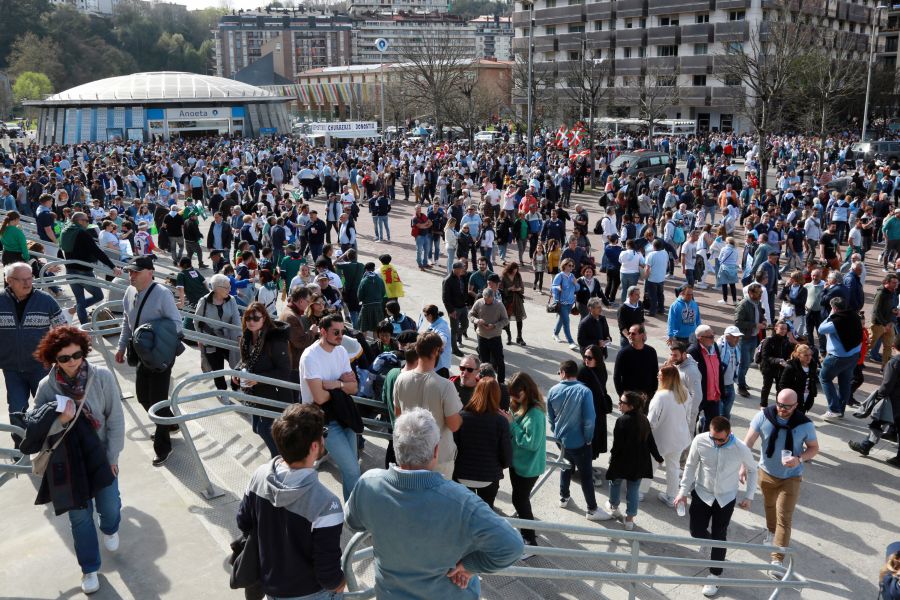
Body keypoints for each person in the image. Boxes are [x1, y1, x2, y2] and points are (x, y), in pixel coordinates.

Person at [345, 408, 523, 599]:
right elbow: (512, 546)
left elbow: (352, 521)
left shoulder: (368, 483)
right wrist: (469, 566)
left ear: (396, 447)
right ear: (436, 450)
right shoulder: (461, 501)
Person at [23, 325, 124, 595]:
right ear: (54, 358)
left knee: (110, 507)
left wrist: (113, 456)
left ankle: (110, 528)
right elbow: (38, 427)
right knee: (79, 519)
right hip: (67, 461)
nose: (72, 362)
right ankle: (89, 568)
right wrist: (61, 420)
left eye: (77, 355)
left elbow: (115, 419)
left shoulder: (101, 376)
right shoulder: (47, 386)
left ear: (84, 351)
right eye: (64, 358)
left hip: (101, 457)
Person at [236, 403, 346, 599]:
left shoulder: (258, 476)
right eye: (323, 433)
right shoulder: (328, 504)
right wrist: (340, 582)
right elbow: (327, 574)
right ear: (314, 446)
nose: (324, 438)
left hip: (270, 586)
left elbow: (243, 521)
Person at [674, 416, 758, 597]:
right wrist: (682, 492)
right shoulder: (701, 440)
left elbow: (752, 469)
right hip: (702, 493)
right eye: (713, 438)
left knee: (720, 536)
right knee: (696, 531)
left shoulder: (740, 448)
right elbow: (690, 466)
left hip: (725, 499)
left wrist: (749, 496)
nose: (716, 442)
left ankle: (715, 575)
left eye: (721, 439)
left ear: (729, 433)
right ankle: (711, 545)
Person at [114, 255, 181, 467]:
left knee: (158, 401)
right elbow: (127, 320)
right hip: (141, 354)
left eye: (136, 272)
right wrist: (122, 345)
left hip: (161, 354)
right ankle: (169, 423)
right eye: (130, 272)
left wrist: (156, 333)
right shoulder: (129, 291)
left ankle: (163, 448)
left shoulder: (162, 294)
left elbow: (177, 324)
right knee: (143, 396)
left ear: (149, 273)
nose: (131, 275)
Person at [742, 388, 819, 572]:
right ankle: (770, 531)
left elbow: (814, 448)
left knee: (784, 518)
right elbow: (748, 442)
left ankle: (777, 560)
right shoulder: (764, 416)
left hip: (791, 477)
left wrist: (799, 459)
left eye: (787, 407)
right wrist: (743, 464)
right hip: (766, 473)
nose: (782, 409)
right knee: (769, 507)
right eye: (779, 404)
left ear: (796, 405)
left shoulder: (805, 424)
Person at [1, 262, 66, 447]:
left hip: (41, 367)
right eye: (22, 280)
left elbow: (63, 331)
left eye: (30, 278)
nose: (28, 283)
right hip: (11, 369)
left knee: (48, 408)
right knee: (16, 410)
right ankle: (22, 447)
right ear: (9, 281)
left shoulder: (46, 300)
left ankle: (52, 445)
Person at [298, 313, 361, 501]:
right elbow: (318, 397)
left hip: (343, 414)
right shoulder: (310, 356)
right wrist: (342, 385)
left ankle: (352, 511)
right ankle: (354, 516)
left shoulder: (341, 351)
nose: (340, 336)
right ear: (323, 332)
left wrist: (335, 385)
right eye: (336, 332)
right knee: (351, 469)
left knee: (353, 468)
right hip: (322, 419)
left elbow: (354, 387)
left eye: (342, 332)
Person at [548, 359, 612, 521]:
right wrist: (589, 438)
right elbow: (590, 419)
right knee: (585, 475)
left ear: (562, 373)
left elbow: (551, 418)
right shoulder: (585, 392)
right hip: (581, 441)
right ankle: (591, 509)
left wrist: (556, 433)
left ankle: (564, 497)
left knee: (565, 466)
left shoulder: (553, 390)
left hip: (562, 439)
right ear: (575, 373)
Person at [393, 332, 463, 479]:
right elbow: (454, 425)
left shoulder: (401, 379)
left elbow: (398, 416)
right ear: (436, 351)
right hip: (438, 457)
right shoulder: (446, 386)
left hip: (409, 455)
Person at [235, 302, 292, 457]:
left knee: (265, 428)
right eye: (248, 317)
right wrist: (237, 371)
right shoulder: (246, 338)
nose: (251, 321)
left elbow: (285, 371)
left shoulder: (275, 340)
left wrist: (258, 379)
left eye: (255, 318)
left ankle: (281, 460)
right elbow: (246, 361)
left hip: (274, 392)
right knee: (256, 428)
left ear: (264, 318)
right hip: (255, 393)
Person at [605, 391, 663, 530]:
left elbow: (617, 445)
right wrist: (658, 457)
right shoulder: (644, 419)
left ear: (630, 406)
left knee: (615, 482)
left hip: (622, 461)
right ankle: (630, 520)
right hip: (639, 463)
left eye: (622, 402)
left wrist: (612, 459)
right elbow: (650, 442)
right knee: (633, 490)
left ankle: (613, 506)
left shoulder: (622, 421)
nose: (619, 404)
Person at [452, 377, 512, 508]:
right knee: (486, 513)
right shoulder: (501, 422)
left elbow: (454, 446)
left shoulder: (462, 416)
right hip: (489, 476)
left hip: (462, 474)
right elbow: (506, 455)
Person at [504, 372, 547, 549]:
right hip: (518, 464)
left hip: (528, 468)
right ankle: (527, 532)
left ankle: (530, 540)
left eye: (516, 393)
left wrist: (511, 424)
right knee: (519, 500)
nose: (513, 397)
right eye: (511, 393)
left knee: (520, 501)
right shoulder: (519, 405)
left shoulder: (536, 413)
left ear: (527, 391)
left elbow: (531, 443)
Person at [60, 211, 122, 324]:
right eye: (86, 221)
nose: (88, 223)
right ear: (79, 221)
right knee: (99, 296)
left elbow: (61, 251)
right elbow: (97, 252)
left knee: (80, 300)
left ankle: (84, 326)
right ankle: (76, 310)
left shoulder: (66, 231)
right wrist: (113, 267)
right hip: (83, 271)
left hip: (70, 270)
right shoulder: (81, 233)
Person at [848, 337, 900, 467]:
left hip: (894, 401)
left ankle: (865, 446)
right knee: (880, 422)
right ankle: (866, 445)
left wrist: (878, 397)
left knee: (878, 421)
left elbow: (887, 384)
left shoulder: (894, 362)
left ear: (894, 346)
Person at [648, 365, 692, 507]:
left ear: (666, 378)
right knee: (673, 468)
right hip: (679, 438)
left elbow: (652, 421)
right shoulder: (684, 393)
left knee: (651, 465)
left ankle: (640, 493)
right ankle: (672, 496)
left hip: (660, 438)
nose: (657, 377)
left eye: (660, 375)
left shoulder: (661, 395)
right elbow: (689, 416)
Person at [194, 274, 242, 392]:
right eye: (226, 287)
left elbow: (236, 318)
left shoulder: (231, 300)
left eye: (229, 287)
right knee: (217, 368)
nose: (229, 290)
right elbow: (197, 321)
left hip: (228, 337)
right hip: (211, 339)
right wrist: (201, 338)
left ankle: (236, 386)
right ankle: (222, 390)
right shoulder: (204, 301)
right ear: (217, 288)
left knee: (237, 364)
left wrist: (239, 335)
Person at [819, 296, 863, 419]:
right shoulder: (854, 315)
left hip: (837, 357)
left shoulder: (835, 322)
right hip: (853, 356)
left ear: (834, 308)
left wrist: (829, 315)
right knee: (845, 383)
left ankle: (834, 409)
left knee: (824, 378)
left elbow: (821, 329)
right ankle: (840, 411)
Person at [577, 344, 612, 464]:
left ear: (597, 358)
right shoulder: (581, 371)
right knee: (588, 440)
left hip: (599, 409)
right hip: (587, 410)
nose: (586, 359)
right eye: (585, 356)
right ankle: (586, 470)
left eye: (589, 357)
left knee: (596, 440)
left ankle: (589, 466)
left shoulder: (602, 369)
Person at [688, 325, 725, 432]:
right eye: (710, 337)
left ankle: (706, 443)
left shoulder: (714, 347)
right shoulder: (693, 351)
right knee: (692, 422)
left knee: (713, 423)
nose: (713, 338)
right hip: (699, 395)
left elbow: (719, 370)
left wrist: (721, 391)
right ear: (700, 338)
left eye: (713, 335)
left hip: (713, 395)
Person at [469, 288, 509, 383]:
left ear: (493, 297)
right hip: (482, 337)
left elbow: (505, 320)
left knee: (499, 361)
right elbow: (470, 314)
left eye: (489, 300)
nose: (487, 302)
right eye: (485, 300)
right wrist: (476, 321)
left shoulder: (499, 305)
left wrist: (495, 326)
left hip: (495, 337)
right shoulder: (479, 302)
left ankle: (501, 382)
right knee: (484, 363)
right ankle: (485, 383)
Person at [735, 282, 767, 397]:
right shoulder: (743, 304)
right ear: (750, 293)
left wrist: (763, 320)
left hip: (753, 337)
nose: (760, 296)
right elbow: (738, 322)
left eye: (761, 293)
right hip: (744, 338)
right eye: (758, 293)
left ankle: (741, 380)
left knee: (748, 362)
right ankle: (741, 386)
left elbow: (760, 314)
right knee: (743, 363)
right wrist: (755, 325)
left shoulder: (756, 302)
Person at [613, 324, 659, 402]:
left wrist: (652, 393)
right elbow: (616, 376)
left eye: (633, 333)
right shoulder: (623, 353)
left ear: (642, 335)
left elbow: (655, 373)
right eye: (629, 333)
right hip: (629, 397)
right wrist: (621, 395)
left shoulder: (651, 351)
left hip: (646, 396)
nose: (630, 335)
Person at [759, 320, 795, 409]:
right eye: (781, 328)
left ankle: (779, 406)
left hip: (781, 369)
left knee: (780, 389)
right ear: (776, 328)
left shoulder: (786, 341)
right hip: (769, 369)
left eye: (785, 329)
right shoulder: (769, 340)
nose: (783, 331)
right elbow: (765, 357)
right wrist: (778, 360)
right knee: (766, 387)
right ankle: (763, 405)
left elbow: (790, 354)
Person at [869, 273, 899, 373]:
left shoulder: (893, 291)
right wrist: (884, 324)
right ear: (887, 282)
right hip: (878, 324)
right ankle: (855, 361)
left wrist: (894, 310)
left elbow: (891, 306)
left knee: (888, 346)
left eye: (897, 282)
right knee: (869, 344)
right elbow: (876, 311)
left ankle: (885, 368)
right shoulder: (881, 293)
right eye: (894, 283)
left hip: (890, 323)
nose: (896, 284)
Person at [779, 344, 818, 413]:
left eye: (810, 355)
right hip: (794, 399)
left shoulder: (812, 365)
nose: (809, 357)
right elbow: (783, 384)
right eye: (805, 355)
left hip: (807, 397)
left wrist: (813, 393)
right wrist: (790, 397)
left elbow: (813, 380)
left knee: (801, 415)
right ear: (799, 355)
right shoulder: (791, 366)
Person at [551, 258, 580, 350]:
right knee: (566, 321)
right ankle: (571, 341)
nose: (571, 267)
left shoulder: (572, 276)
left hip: (570, 302)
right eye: (569, 265)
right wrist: (558, 288)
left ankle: (555, 333)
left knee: (562, 319)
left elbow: (577, 289)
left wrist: (576, 284)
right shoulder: (560, 275)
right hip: (562, 302)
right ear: (564, 266)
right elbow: (553, 287)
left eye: (572, 266)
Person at [716, 326, 743, 420]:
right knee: (719, 415)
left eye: (738, 337)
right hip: (718, 385)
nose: (737, 339)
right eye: (735, 337)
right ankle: (704, 422)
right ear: (727, 336)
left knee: (726, 414)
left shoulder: (736, 348)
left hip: (730, 384)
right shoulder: (719, 346)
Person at [420, 304, 453, 378]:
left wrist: (437, 349)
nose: (425, 317)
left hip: (441, 364)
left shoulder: (441, 326)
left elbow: (443, 340)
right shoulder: (435, 323)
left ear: (430, 316)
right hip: (435, 362)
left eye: (425, 315)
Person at [499, 262, 527, 346]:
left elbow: (522, 288)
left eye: (516, 269)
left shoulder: (518, 276)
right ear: (510, 268)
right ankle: (509, 336)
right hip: (507, 301)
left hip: (517, 300)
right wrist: (509, 289)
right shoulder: (504, 277)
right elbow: (500, 290)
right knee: (507, 319)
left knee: (519, 318)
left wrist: (518, 289)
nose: (515, 271)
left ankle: (519, 337)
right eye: (514, 269)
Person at [357, 261, 387, 337]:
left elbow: (359, 295)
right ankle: (376, 345)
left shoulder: (364, 281)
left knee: (363, 328)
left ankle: (363, 346)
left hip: (366, 307)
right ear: (373, 269)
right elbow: (383, 292)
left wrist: (362, 300)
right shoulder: (380, 280)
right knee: (376, 328)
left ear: (366, 270)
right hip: (378, 306)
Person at [716, 237, 740, 304]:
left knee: (724, 284)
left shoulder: (724, 249)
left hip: (724, 268)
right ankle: (734, 301)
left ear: (727, 242)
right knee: (732, 285)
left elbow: (719, 258)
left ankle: (725, 300)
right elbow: (736, 259)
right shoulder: (736, 250)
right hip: (733, 268)